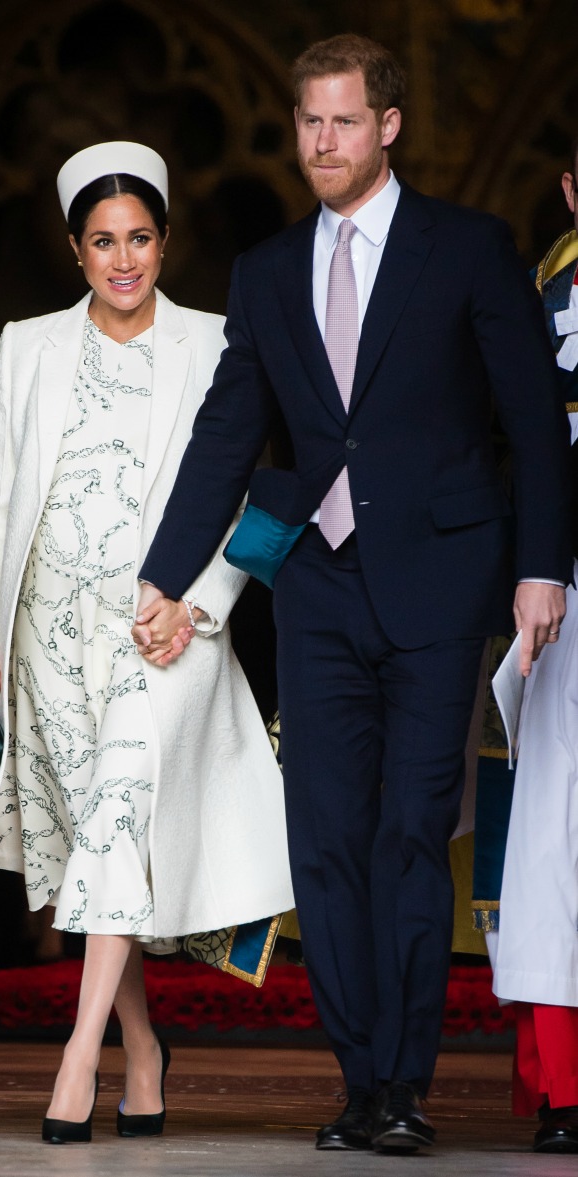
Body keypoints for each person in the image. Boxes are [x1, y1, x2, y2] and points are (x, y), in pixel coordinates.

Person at [133, 35, 572, 1154]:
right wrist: (163, 575)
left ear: (386, 126)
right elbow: (228, 431)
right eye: (306, 123)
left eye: (341, 121)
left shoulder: (468, 250)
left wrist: (539, 566)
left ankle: (407, 1085)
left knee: (407, 840)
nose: (320, 142)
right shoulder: (269, 270)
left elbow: (531, 423)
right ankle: (362, 1078)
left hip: (439, 588)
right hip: (319, 594)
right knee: (323, 844)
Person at [0, 141, 294, 1143]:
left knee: (120, 815)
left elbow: (257, 500)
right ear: (75, 249)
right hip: (47, 636)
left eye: (138, 238)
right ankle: (139, 1041)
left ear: (165, 242)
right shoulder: (26, 345)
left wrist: (201, 603)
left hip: (161, 636)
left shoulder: (219, 343)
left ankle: (78, 1057)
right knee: (98, 850)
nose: (122, 258)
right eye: (101, 241)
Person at [486, 136, 578, 1154]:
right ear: (567, 187)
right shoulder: (530, 290)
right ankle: (563, 1081)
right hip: (561, 589)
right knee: (553, 835)